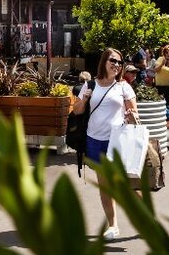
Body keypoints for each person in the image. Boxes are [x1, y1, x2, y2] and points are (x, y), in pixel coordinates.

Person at [71, 48, 137, 240]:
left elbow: (135, 113)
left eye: (119, 62)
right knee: (105, 187)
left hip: (117, 142)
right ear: (104, 62)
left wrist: (131, 115)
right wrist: (84, 98)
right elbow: (77, 111)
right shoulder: (90, 84)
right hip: (94, 141)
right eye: (113, 61)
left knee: (128, 185)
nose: (116, 65)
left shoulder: (124, 87)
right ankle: (113, 225)